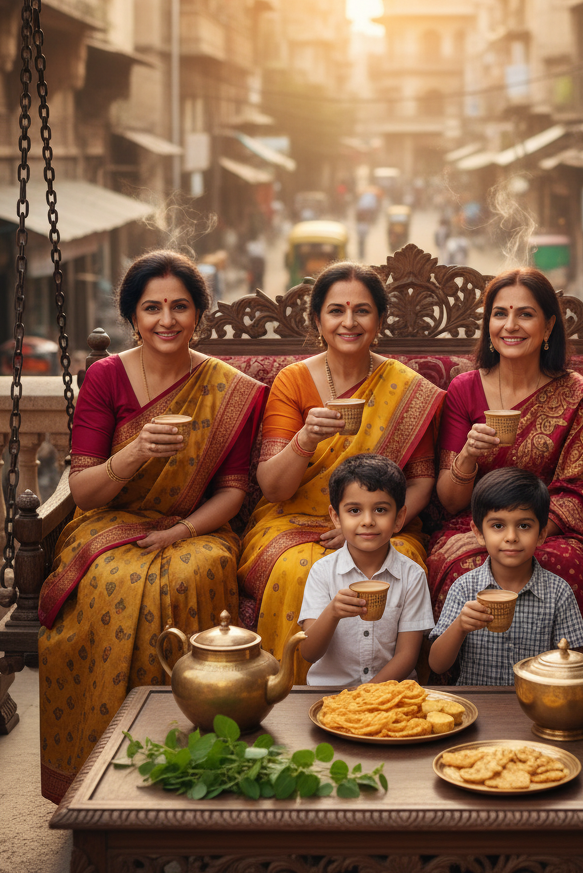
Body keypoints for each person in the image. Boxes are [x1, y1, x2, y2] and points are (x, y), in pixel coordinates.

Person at [37, 250, 268, 804]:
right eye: (152, 308)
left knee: (197, 569)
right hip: (108, 521)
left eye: (180, 307)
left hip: (195, 525)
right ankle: (102, 763)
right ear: (132, 317)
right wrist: (136, 452)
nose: (167, 319)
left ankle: (198, 759)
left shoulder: (228, 387)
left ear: (199, 314)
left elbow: (234, 491)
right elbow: (86, 489)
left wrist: (181, 532)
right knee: (114, 580)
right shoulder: (105, 377)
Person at [238, 261, 445, 681]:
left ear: (381, 320)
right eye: (336, 311)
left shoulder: (406, 388)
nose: (349, 322)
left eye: (362, 311)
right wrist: (306, 439)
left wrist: (380, 522)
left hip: (379, 519)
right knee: (300, 567)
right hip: (294, 521)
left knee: (401, 561)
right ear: (317, 319)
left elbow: (422, 480)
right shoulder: (293, 382)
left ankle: (387, 692)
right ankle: (292, 696)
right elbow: (273, 488)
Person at [426, 267, 583, 658]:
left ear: (549, 325)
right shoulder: (464, 389)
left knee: (565, 568)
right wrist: (468, 457)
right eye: (499, 314)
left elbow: (576, 487)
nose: (510, 326)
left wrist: (527, 532)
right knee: (463, 567)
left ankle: (562, 686)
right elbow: (449, 501)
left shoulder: (577, 394)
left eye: (525, 314)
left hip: (551, 526)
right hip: (476, 522)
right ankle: (465, 685)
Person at [429, 469, 583, 685]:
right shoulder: (464, 588)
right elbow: (437, 665)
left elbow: (575, 666)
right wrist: (460, 626)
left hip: (537, 706)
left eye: (524, 526)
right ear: (478, 533)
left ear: (541, 534)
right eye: (498, 526)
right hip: (479, 705)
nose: (511, 537)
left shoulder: (558, 592)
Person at [298, 454, 435, 687]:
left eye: (380, 510)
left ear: (399, 518)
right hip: (330, 693)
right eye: (354, 511)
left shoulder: (412, 575)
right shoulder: (322, 572)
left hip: (387, 693)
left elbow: (407, 656)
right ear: (336, 517)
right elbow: (309, 653)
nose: (368, 521)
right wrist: (332, 613)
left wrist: (364, 696)